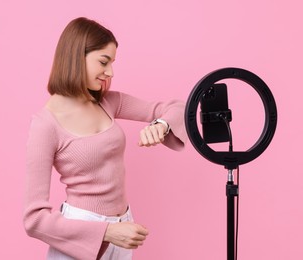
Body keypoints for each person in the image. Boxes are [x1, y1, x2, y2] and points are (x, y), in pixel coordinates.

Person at [23, 17, 187, 260]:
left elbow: (180, 108)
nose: (110, 72)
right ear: (76, 57)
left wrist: (161, 125)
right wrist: (107, 232)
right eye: (103, 61)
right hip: (82, 237)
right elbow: (34, 219)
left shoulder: (108, 102)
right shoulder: (45, 125)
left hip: (124, 230)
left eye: (112, 62)